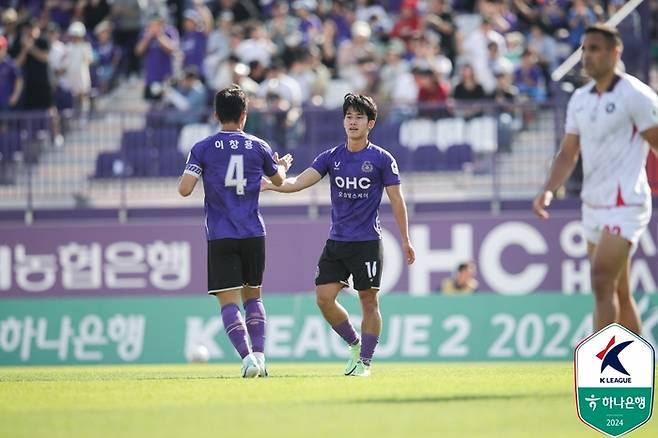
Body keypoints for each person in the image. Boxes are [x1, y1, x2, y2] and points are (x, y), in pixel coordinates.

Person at [262, 93, 416, 377]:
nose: (353, 122)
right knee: (323, 298)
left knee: (368, 301)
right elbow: (299, 182)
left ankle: (365, 363)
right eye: (348, 116)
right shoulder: (331, 157)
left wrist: (405, 238)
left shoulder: (382, 159)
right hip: (338, 241)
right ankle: (355, 345)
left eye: (359, 117)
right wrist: (273, 185)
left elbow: (397, 199)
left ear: (371, 123)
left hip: (368, 242)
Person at [532, 24, 658, 336]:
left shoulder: (636, 95)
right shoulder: (579, 99)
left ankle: (604, 373)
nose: (587, 56)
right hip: (593, 204)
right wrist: (548, 189)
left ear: (616, 52)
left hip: (626, 202)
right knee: (617, 291)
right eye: (584, 49)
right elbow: (568, 153)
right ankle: (640, 372)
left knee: (601, 280)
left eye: (595, 49)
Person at [178, 85, 293, 377]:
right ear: (244, 116)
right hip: (253, 232)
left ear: (216, 115)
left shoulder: (202, 147)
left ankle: (246, 360)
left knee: (228, 301)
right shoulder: (259, 145)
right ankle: (261, 357)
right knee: (253, 297)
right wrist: (280, 167)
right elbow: (279, 181)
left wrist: (203, 174)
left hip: (220, 233)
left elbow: (184, 189)